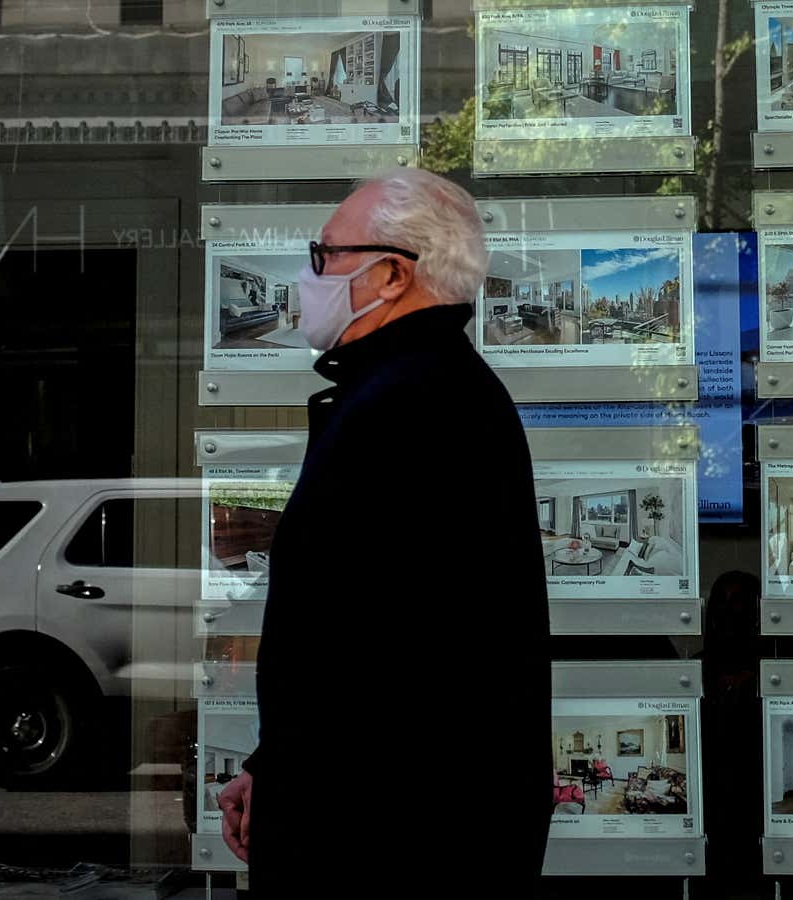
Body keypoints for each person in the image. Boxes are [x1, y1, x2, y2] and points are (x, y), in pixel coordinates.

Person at [214, 168, 551, 895]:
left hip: (386, 843)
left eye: (324, 255)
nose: (310, 276)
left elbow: (359, 650)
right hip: (400, 826)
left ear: (392, 275)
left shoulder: (411, 405)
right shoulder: (421, 390)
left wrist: (291, 783)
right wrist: (272, 769)